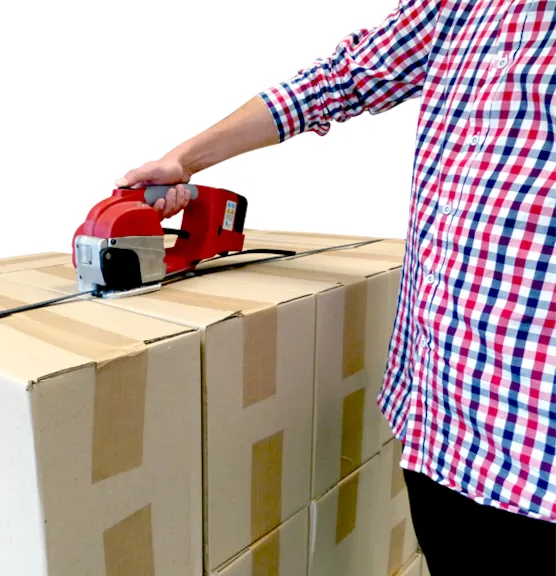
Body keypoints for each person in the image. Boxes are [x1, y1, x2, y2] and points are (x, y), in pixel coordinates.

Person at [117, 1, 556, 573]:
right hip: (439, 416)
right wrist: (183, 160)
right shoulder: (466, 7)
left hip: (535, 450)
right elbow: (340, 78)